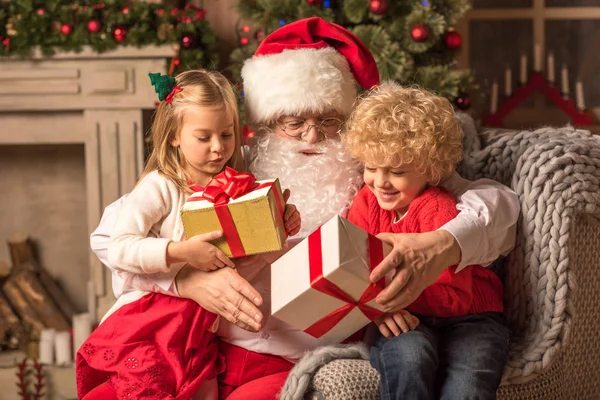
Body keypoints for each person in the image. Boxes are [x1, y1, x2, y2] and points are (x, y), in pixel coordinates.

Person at [90, 17, 519, 399]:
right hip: (209, 347)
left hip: (296, 352)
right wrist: (186, 283)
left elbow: (496, 205)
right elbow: (116, 246)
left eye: (328, 121)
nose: (312, 138)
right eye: (294, 122)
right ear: (267, 125)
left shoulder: (378, 170)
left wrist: (442, 243)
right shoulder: (235, 165)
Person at [76, 69, 301, 400]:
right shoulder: (162, 187)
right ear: (174, 137)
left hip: (201, 329)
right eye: (203, 137)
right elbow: (119, 246)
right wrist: (179, 252)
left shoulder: (237, 185)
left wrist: (279, 227)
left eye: (226, 135)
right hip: (154, 320)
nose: (217, 148)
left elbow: (240, 265)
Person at [344, 82, 508, 399]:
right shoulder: (365, 204)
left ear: (429, 169)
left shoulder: (439, 207)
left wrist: (386, 300)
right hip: (402, 317)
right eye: (371, 167)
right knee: (409, 356)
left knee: (469, 381)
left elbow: (455, 299)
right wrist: (379, 310)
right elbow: (353, 271)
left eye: (397, 171)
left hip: (470, 315)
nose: (380, 182)